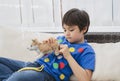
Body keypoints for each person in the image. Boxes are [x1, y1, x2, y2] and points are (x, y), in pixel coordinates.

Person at [0, 8, 95, 81]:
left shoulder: (87, 51)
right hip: (35, 65)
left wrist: (68, 56)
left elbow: (86, 78)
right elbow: (45, 51)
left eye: (71, 30)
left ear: (84, 29)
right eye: (65, 30)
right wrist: (47, 45)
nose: (67, 34)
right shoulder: (62, 39)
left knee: (18, 77)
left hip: (48, 75)